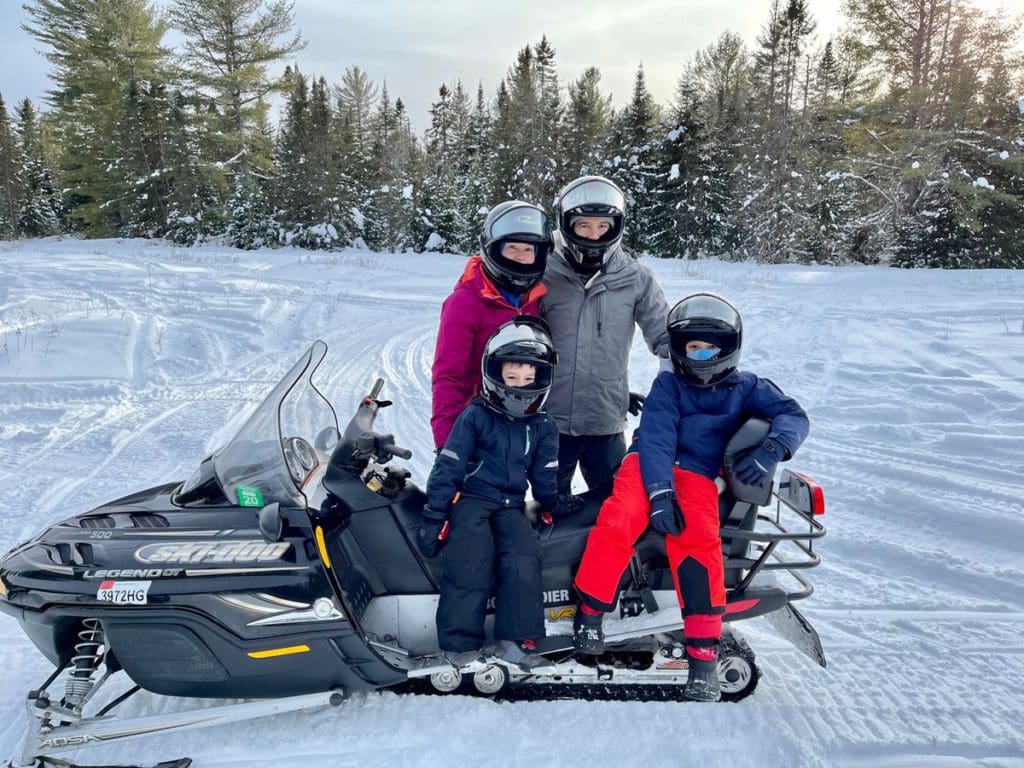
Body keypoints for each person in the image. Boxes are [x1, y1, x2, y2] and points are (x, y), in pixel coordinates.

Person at [570, 293, 810, 701]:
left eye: (709, 348)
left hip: (698, 474)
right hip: (646, 463)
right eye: (691, 347)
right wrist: (659, 493)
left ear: (727, 349)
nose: (700, 355)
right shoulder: (668, 384)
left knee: (699, 539)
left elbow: (794, 414)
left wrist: (774, 448)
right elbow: (658, 437)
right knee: (620, 517)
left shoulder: (747, 386)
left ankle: (702, 655)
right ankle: (590, 612)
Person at [418, 317, 577, 672]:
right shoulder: (476, 415)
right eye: (511, 377)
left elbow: (544, 473)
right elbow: (450, 465)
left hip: (510, 506)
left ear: (541, 379)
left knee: (523, 556)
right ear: (495, 374)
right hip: (471, 501)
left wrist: (554, 503)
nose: (519, 385)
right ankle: (459, 644)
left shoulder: (543, 426)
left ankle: (516, 641)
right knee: (470, 560)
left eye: (527, 378)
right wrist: (435, 514)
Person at [540, 175, 670, 496]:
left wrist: (677, 393)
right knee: (548, 517)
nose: (594, 234)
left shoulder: (636, 278)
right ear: (566, 224)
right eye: (584, 226)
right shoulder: (544, 272)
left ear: (617, 225)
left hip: (606, 420)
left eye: (603, 226)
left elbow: (668, 339)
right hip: (550, 420)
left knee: (617, 511)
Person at [431, 200, 551, 451]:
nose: (521, 256)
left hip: (518, 426)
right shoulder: (465, 302)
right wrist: (448, 443)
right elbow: (448, 375)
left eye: (528, 249)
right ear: (495, 250)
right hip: (474, 427)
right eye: (512, 248)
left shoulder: (535, 299)